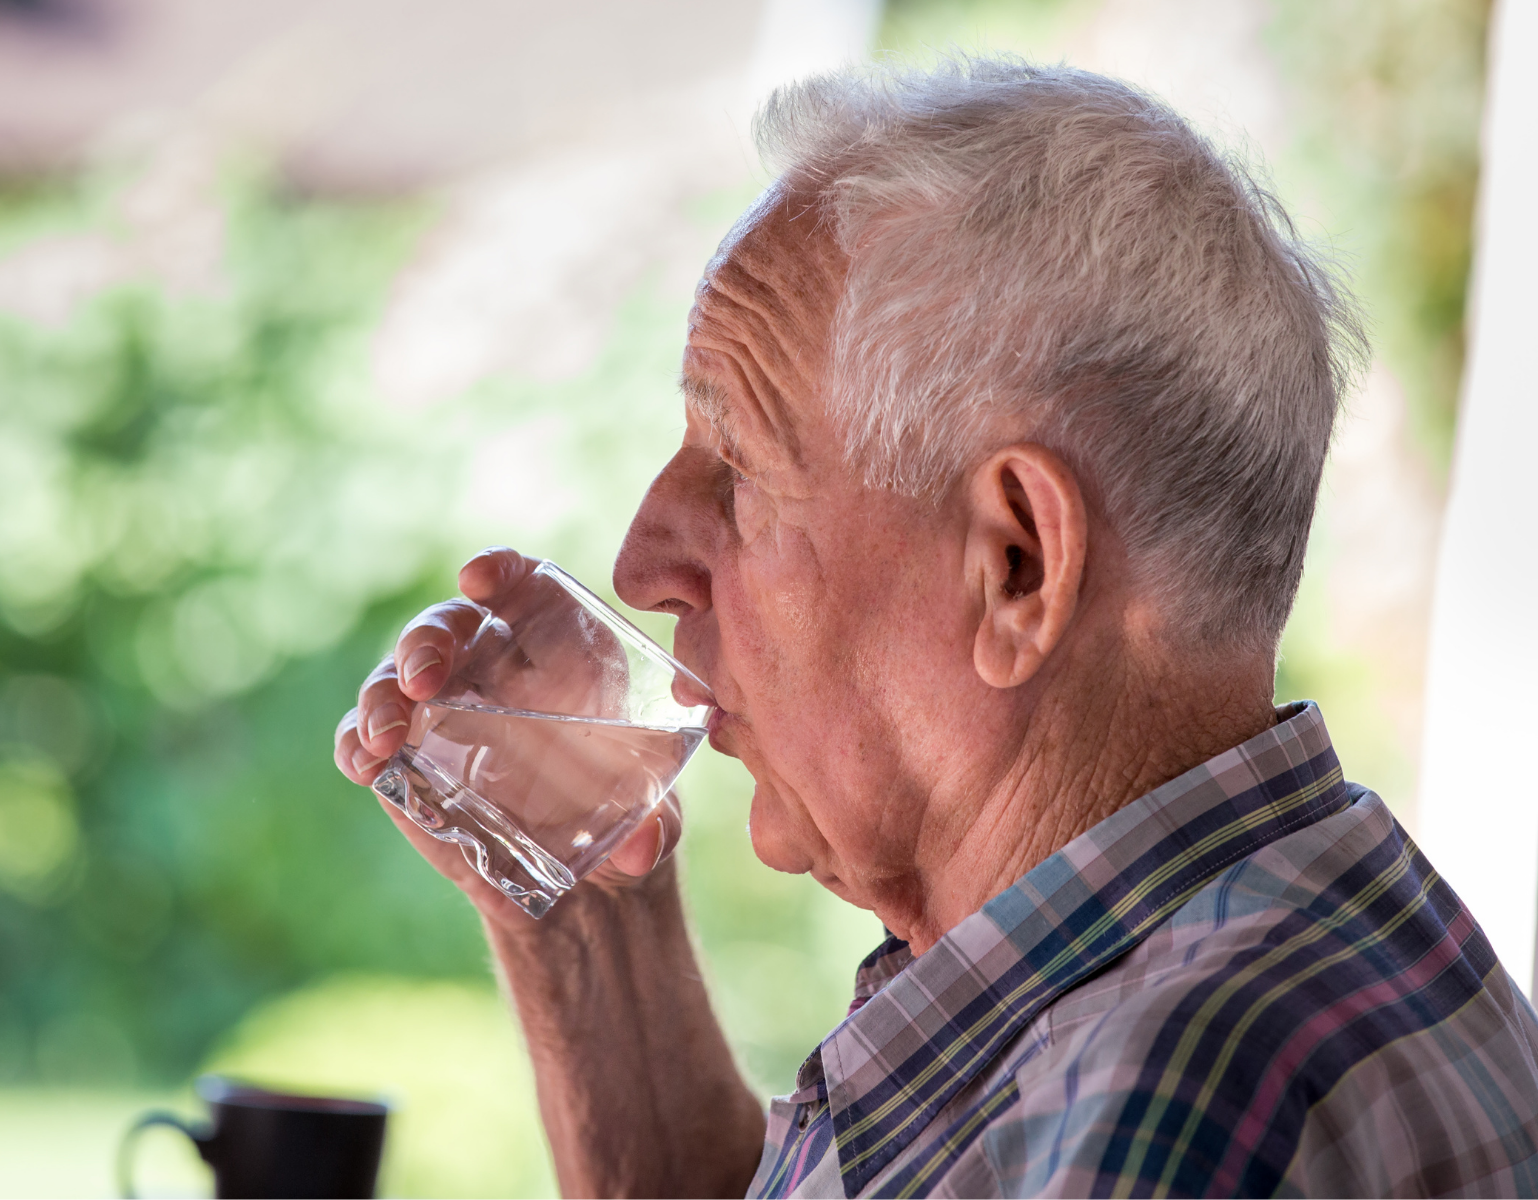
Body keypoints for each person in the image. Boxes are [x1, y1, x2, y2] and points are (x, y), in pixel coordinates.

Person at [335, 59, 1538, 1197]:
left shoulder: (1164, 1101)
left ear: (1017, 566)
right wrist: (586, 905)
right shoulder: (1240, 932)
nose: (643, 562)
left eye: (737, 469)